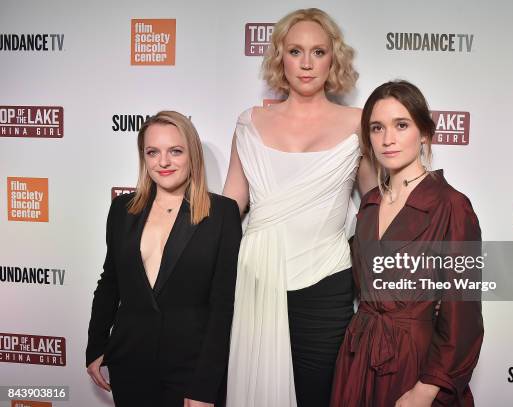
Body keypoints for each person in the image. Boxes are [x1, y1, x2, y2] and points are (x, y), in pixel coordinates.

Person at [222, 8, 376, 407]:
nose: (306, 63)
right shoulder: (248, 123)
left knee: (319, 397)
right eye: (295, 51)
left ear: (333, 59)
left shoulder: (360, 124)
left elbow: (377, 207)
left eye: (318, 52)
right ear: (280, 58)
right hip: (256, 279)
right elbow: (228, 209)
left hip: (326, 285)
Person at [330, 80, 484, 407]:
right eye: (377, 128)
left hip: (416, 366)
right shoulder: (369, 205)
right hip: (358, 361)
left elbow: (463, 316)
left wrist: (427, 389)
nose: (388, 139)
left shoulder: (452, 206)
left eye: (401, 125)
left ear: (424, 132)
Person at [86, 111, 242, 407]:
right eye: (152, 152)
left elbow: (223, 306)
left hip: (190, 369)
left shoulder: (221, 213)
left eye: (175, 151)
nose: (164, 162)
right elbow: (110, 283)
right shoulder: (122, 209)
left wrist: (204, 386)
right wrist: (95, 345)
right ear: (143, 157)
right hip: (129, 362)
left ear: (192, 155)